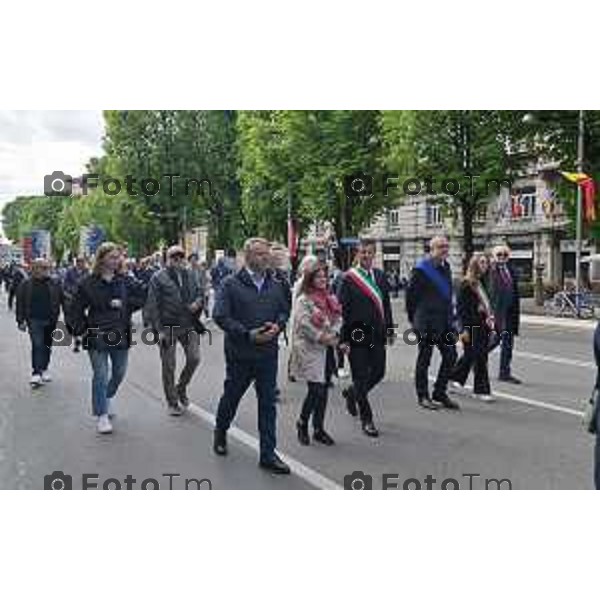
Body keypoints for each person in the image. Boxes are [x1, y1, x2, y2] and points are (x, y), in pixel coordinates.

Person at [212, 238, 291, 474]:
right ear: (247, 257)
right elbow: (221, 316)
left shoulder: (277, 284)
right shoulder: (230, 284)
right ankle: (220, 431)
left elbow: (284, 310)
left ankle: (268, 454)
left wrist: (278, 325)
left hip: (268, 354)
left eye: (266, 254)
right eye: (259, 254)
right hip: (241, 354)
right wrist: (247, 334)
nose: (265, 258)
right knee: (232, 396)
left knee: (268, 404)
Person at [69, 243, 146, 434]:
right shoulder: (88, 282)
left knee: (119, 373)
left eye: (118, 256)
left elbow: (143, 296)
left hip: (121, 332)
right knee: (101, 375)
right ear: (102, 258)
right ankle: (101, 415)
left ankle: (106, 397)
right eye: (112, 256)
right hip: (96, 334)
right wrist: (80, 330)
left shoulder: (125, 280)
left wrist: (126, 305)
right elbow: (75, 309)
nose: (117, 260)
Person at [339, 240, 394, 437]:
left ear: (375, 255)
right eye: (363, 252)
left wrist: (389, 329)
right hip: (356, 334)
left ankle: (352, 393)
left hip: (377, 333)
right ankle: (367, 418)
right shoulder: (349, 278)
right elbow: (342, 311)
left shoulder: (379, 276)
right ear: (357, 254)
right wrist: (343, 340)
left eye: (370, 252)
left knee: (379, 372)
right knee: (360, 377)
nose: (366, 256)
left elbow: (386, 305)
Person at [143, 246, 205, 416]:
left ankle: (181, 388)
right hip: (167, 326)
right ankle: (172, 402)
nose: (177, 260)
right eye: (173, 257)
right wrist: (158, 330)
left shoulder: (190, 274)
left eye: (180, 256)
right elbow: (152, 304)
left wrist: (198, 302)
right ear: (167, 259)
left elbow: (200, 292)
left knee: (194, 358)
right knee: (169, 365)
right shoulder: (158, 277)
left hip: (188, 324)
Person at [289, 262, 344, 446]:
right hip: (310, 349)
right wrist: (323, 337)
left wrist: (335, 335)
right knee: (316, 390)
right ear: (310, 279)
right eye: (318, 277)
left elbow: (338, 318)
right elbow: (303, 324)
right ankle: (302, 422)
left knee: (324, 390)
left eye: (324, 277)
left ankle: (319, 428)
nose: (322, 280)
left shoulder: (330, 297)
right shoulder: (304, 299)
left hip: (327, 349)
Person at [406, 235, 459, 410]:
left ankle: (439, 392)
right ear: (432, 249)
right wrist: (415, 322)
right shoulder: (421, 270)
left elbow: (448, 295)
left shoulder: (446, 267)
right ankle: (423, 395)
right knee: (425, 359)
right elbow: (411, 298)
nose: (445, 249)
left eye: (446, 246)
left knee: (451, 356)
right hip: (426, 322)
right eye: (441, 246)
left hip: (444, 322)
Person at [449, 253, 495, 402]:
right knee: (480, 356)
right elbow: (461, 309)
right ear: (474, 264)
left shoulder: (482, 282)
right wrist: (462, 329)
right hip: (471, 325)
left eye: (486, 262)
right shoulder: (466, 284)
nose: (485, 265)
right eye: (482, 262)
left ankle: (453, 377)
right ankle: (481, 390)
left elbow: (486, 303)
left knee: (470, 355)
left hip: (482, 324)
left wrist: (488, 314)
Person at [16, 258, 64, 387]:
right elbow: (20, 303)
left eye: (47, 267)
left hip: (51, 319)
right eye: (42, 267)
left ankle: (44, 369)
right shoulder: (25, 284)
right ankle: (36, 373)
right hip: (33, 320)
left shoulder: (55, 283)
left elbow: (63, 299)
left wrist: (71, 319)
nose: (46, 270)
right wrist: (20, 321)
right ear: (34, 268)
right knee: (37, 345)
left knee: (47, 345)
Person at [487, 244, 521, 383]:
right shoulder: (490, 271)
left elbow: (513, 291)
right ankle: (472, 360)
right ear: (494, 257)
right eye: (499, 254)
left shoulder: (511, 270)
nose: (502, 257)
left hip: (510, 314)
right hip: (497, 314)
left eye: (505, 255)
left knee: (507, 344)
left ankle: (504, 373)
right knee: (494, 341)